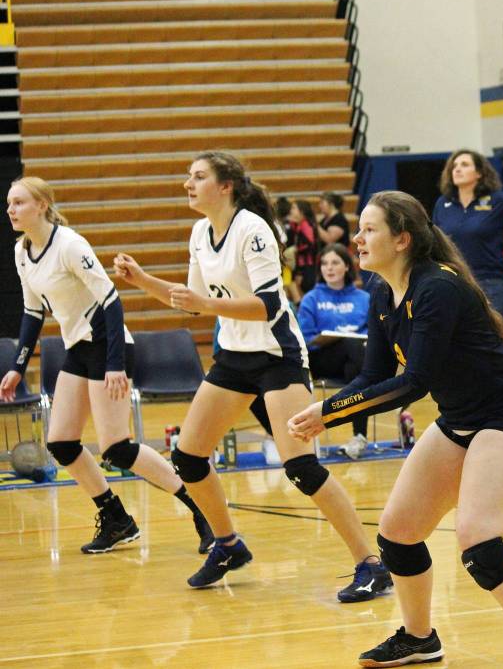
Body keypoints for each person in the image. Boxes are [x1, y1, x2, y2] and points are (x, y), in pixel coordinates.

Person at [288, 191, 503, 669]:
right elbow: (372, 375)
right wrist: (331, 406)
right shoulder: (382, 291)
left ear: (402, 239)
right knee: (398, 534)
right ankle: (419, 638)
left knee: (479, 541)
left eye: (369, 229)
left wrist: (329, 413)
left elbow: (413, 383)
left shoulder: (437, 288)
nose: (357, 237)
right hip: (460, 417)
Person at [112, 151, 392, 603]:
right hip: (234, 357)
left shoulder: (253, 229)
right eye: (189, 176)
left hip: (276, 356)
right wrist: (142, 280)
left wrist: (208, 306)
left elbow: (267, 304)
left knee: (300, 467)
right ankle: (227, 545)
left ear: (225, 187)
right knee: (188, 456)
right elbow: (192, 299)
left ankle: (372, 565)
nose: (188, 183)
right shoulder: (201, 232)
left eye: (198, 176)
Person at [0, 176, 214, 555]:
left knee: (117, 447)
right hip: (78, 347)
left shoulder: (69, 245)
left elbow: (111, 302)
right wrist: (18, 365)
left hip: (107, 345)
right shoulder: (22, 251)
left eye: (18, 202)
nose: (10, 210)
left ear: (42, 205)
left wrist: (115, 365)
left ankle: (203, 509)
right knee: (61, 443)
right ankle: (116, 517)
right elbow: (33, 312)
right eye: (9, 203)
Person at [433, 149, 503, 325]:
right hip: (453, 284)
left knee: (492, 345)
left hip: (491, 284)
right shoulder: (443, 203)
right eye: (454, 165)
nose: (457, 169)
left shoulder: (499, 200)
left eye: (464, 165)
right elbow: (436, 243)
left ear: (479, 172)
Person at [297, 243, 372, 457]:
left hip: (354, 362)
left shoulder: (363, 298)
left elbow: (375, 333)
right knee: (354, 352)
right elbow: (304, 339)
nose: (328, 268)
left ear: (347, 266)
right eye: (324, 263)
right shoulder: (312, 298)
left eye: (335, 263)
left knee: (356, 366)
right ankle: (359, 431)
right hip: (322, 359)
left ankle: (358, 437)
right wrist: (330, 339)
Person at [286, 198, 319, 302]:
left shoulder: (306, 225)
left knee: (306, 294)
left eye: (294, 208)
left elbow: (309, 244)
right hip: (301, 265)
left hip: (307, 266)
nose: (291, 210)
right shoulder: (297, 225)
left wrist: (296, 249)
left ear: (302, 211)